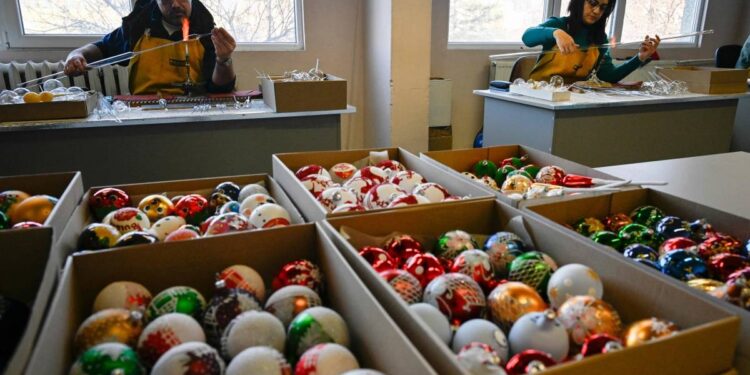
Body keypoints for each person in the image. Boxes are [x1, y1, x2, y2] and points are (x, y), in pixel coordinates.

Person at [64, 0, 236, 95]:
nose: (175, 4)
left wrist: (223, 60)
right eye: (167, 0)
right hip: (143, 112)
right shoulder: (137, 27)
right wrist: (76, 55)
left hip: (191, 113)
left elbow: (221, 89)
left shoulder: (206, 33)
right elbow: (100, 49)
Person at [522, 0, 660, 84]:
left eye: (602, 7)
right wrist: (555, 33)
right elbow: (527, 37)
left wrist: (639, 58)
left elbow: (607, 76)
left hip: (570, 101)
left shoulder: (599, 39)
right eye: (592, 3)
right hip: (539, 98)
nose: (596, 11)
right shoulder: (559, 24)